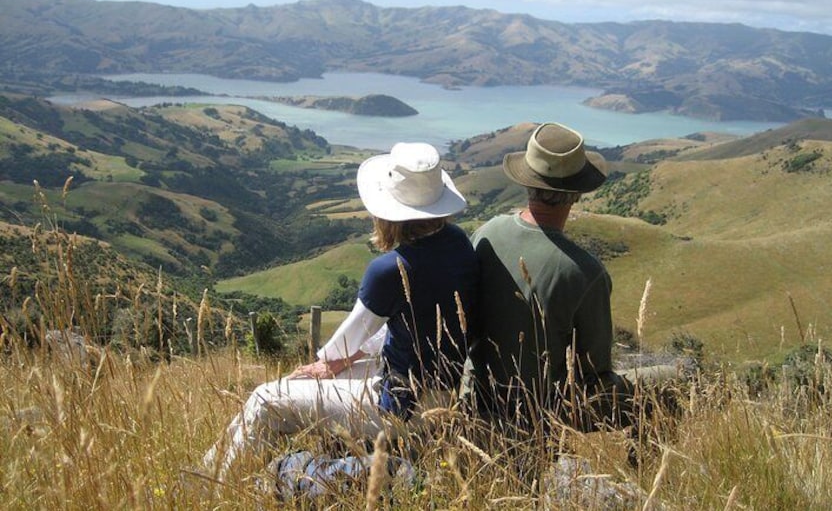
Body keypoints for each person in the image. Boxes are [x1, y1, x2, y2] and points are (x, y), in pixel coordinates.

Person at [204, 142, 478, 481]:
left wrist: (330, 363)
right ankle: (221, 471)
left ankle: (211, 486)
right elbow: (409, 328)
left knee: (265, 399)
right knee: (317, 378)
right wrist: (347, 358)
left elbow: (339, 349)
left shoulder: (390, 268)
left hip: (402, 408)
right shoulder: (460, 244)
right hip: (448, 392)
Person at [469, 122, 632, 432]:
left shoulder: (486, 233)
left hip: (475, 400)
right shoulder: (585, 272)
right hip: (540, 419)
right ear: (577, 194)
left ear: (527, 181)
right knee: (663, 384)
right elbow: (594, 373)